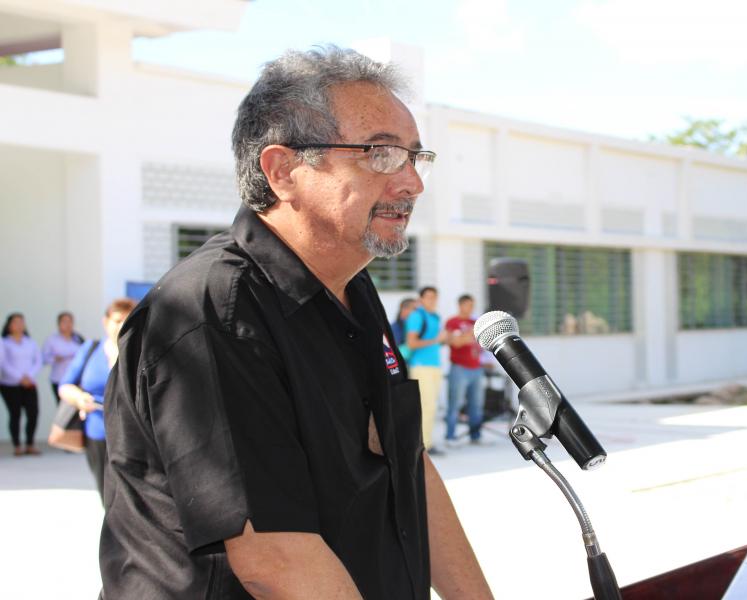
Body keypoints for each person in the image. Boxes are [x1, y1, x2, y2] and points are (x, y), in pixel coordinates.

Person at [99, 46, 492, 599]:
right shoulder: (214, 309)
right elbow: (273, 558)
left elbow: (411, 472)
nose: (411, 184)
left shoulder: (352, 288)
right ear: (283, 170)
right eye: (380, 154)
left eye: (414, 156)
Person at [57, 298, 136, 503]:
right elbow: (65, 385)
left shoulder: (140, 352)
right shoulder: (90, 349)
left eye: (128, 320)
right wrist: (79, 398)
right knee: (106, 494)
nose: (122, 325)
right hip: (97, 432)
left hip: (133, 435)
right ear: (106, 321)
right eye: (117, 320)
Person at [406, 286, 447, 456]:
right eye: (429, 297)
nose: (432, 300)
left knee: (431, 407)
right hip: (421, 366)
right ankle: (422, 446)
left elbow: (436, 342)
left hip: (434, 367)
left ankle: (426, 443)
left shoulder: (435, 317)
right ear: (421, 299)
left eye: (434, 297)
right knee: (425, 407)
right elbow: (411, 343)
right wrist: (437, 339)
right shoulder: (416, 316)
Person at [444, 294, 487, 447]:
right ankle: (450, 436)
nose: (470, 308)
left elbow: (480, 345)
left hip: (476, 368)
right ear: (460, 305)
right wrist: (468, 335)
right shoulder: (452, 322)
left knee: (476, 405)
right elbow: (455, 343)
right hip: (459, 369)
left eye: (472, 305)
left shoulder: (475, 322)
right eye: (467, 305)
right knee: (455, 404)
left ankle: (475, 436)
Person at [0, 313, 42, 456]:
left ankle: (30, 443)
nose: (19, 325)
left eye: (21, 322)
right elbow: (3, 363)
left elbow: (38, 361)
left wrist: (29, 376)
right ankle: (17, 445)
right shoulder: (4, 342)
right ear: (9, 325)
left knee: (33, 413)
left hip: (29, 383)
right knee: (15, 414)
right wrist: (19, 377)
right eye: (15, 322)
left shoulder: (30, 342)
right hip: (10, 384)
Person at [42, 311, 84, 406]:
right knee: (63, 407)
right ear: (59, 324)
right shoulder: (52, 340)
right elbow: (44, 358)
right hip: (59, 378)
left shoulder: (78, 339)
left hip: (76, 380)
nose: (68, 325)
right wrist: (55, 358)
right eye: (64, 322)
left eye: (70, 322)